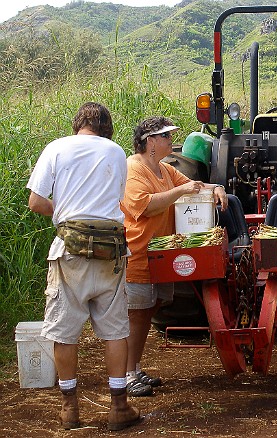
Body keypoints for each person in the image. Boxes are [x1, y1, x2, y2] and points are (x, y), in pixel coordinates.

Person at [26, 102, 140, 431]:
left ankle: (69, 408)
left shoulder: (57, 148)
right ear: (107, 127)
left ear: (78, 123)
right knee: (115, 331)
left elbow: (35, 201)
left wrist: (63, 211)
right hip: (111, 251)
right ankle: (119, 408)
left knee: (65, 332)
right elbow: (113, 200)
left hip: (70, 253)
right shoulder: (117, 152)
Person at [121, 116, 228, 397]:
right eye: (166, 136)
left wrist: (216, 188)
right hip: (139, 253)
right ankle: (126, 374)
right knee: (137, 314)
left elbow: (194, 185)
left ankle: (134, 367)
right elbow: (144, 207)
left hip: (161, 254)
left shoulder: (164, 170)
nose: (171, 140)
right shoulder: (133, 169)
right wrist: (179, 191)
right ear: (150, 142)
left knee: (151, 308)